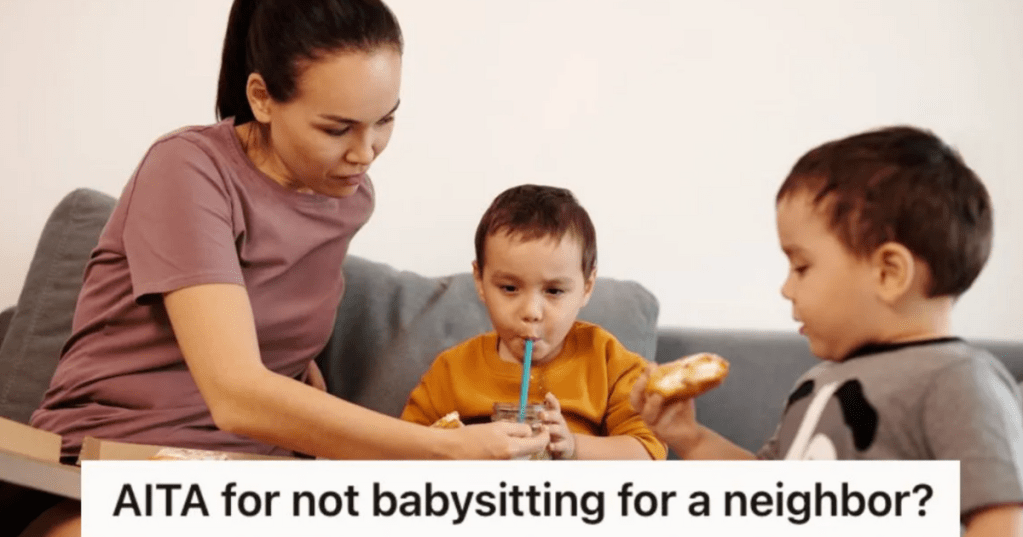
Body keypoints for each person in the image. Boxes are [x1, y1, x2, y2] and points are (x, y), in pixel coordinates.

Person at [16, 1, 548, 536]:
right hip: (113, 471)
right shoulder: (188, 169)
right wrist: (439, 450)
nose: (366, 153)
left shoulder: (348, 197)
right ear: (262, 99)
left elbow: (279, 346)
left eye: (385, 120)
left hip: (252, 486)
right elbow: (237, 394)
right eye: (337, 128)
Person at [630, 126, 1023, 534]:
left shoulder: (957, 380)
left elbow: (999, 519)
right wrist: (690, 438)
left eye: (801, 266)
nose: (786, 288)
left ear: (888, 273)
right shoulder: (817, 382)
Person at [401, 185, 666, 460]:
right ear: (479, 281)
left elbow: (648, 452)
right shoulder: (451, 371)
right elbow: (402, 452)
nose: (531, 312)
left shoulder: (608, 362)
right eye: (509, 288)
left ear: (586, 287)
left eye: (553, 291)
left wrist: (574, 447)